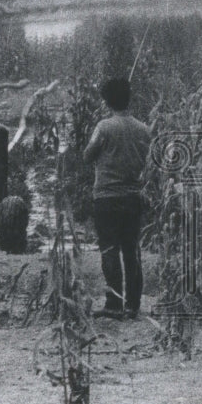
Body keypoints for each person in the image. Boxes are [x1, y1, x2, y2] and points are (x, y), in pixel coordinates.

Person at [83, 77, 152, 320]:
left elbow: (87, 155)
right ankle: (133, 305)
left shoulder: (104, 127)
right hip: (132, 196)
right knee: (131, 251)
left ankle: (114, 304)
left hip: (106, 198)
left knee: (110, 250)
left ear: (107, 100)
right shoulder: (144, 129)